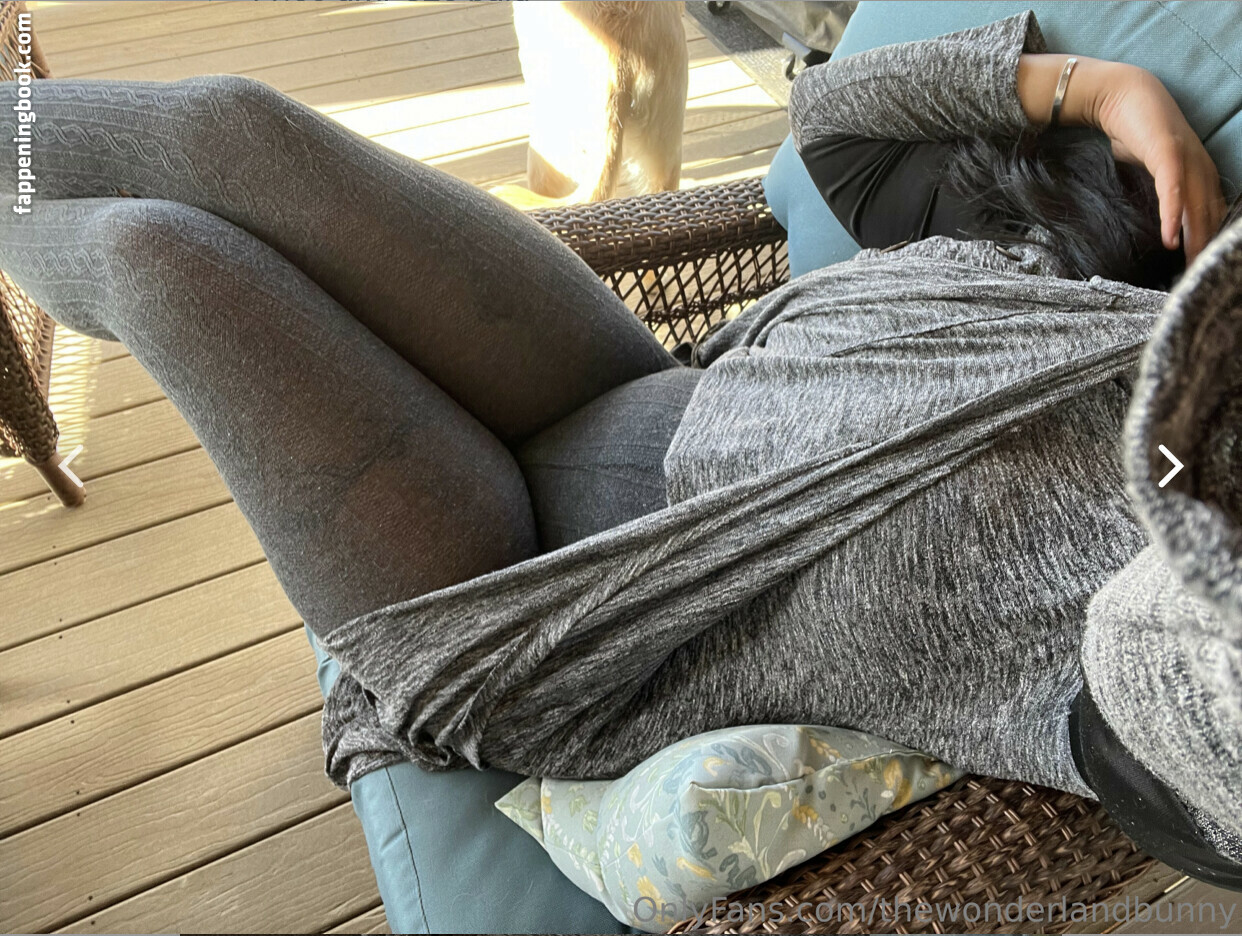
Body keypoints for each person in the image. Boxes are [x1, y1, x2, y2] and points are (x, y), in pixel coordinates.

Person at [2, 10, 1238, 905]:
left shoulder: (1176, 633)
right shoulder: (1139, 270)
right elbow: (837, 127)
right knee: (233, 125)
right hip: (626, 385)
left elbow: (1189, 708)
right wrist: (1100, 92)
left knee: (154, 257)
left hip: (544, 610)